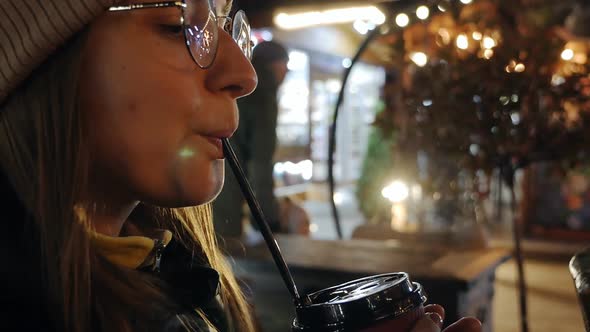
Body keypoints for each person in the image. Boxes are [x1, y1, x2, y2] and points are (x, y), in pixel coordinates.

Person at [0, 0, 481, 331]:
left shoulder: (174, 274)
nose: (243, 73)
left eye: (229, 29)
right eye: (179, 22)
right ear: (42, 57)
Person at [213, 40, 291, 237]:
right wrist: (269, 219)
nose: (286, 74)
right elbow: (261, 162)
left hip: (210, 186)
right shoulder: (263, 90)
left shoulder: (238, 82)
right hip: (227, 193)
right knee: (228, 255)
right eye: (286, 66)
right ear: (276, 64)